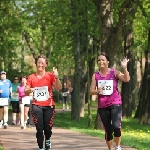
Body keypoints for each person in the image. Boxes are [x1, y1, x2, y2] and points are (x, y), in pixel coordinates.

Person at [90, 52, 130, 150]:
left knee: (116, 126)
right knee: (108, 130)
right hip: (102, 106)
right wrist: (97, 91)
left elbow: (126, 79)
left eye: (103, 59)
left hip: (115, 103)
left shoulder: (114, 72)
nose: (101, 62)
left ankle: (118, 146)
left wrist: (124, 68)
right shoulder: (95, 75)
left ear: (108, 61)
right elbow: (91, 91)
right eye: (99, 60)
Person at [25, 55, 62, 150]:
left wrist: (57, 77)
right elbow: (26, 90)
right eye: (38, 62)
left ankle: (48, 139)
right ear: (36, 64)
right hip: (36, 105)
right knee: (39, 128)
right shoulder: (31, 77)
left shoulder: (50, 76)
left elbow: (59, 88)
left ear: (46, 65)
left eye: (42, 63)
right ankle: (41, 147)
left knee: (47, 128)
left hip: (49, 106)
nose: (40, 65)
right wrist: (30, 90)